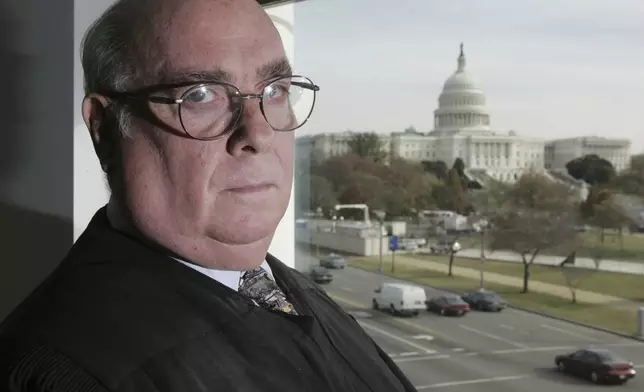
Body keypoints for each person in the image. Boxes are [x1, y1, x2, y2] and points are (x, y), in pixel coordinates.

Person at [0, 0, 418, 391]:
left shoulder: (282, 287)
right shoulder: (70, 372)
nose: (259, 133)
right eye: (200, 94)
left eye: (276, 90)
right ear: (106, 129)